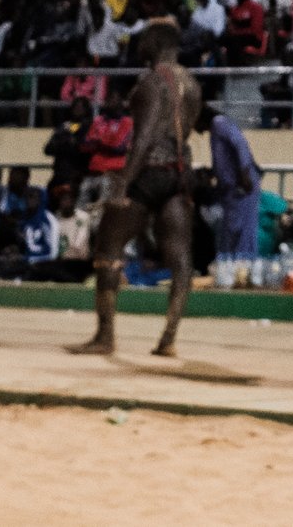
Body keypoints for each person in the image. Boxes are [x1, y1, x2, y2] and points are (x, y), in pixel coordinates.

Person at [70, 20, 201, 357]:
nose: (137, 45)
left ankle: (105, 336)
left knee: (108, 250)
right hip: (181, 173)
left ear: (154, 43)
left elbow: (142, 141)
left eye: (142, 40)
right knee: (180, 257)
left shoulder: (150, 83)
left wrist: (122, 184)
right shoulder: (193, 84)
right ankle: (169, 338)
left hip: (149, 171)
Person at [201, 94, 263, 259]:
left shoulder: (219, 123)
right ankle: (231, 268)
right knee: (231, 232)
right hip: (229, 191)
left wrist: (244, 174)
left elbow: (240, 144)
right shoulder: (215, 130)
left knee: (244, 231)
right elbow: (224, 159)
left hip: (242, 186)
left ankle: (244, 268)